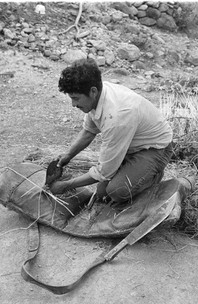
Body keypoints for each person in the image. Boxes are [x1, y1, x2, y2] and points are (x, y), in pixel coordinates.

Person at [49, 58, 173, 203]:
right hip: (131, 144)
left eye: (76, 98)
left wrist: (66, 186)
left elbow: (104, 172)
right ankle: (134, 168)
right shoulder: (97, 96)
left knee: (117, 192)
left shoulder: (118, 115)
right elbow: (89, 132)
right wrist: (67, 157)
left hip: (156, 149)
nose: (73, 104)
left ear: (93, 91)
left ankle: (152, 175)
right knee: (102, 193)